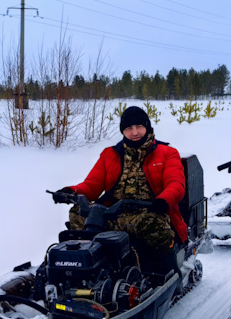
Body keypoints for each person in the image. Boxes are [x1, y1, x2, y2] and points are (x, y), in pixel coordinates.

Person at [53, 105, 187, 252]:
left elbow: (176, 183)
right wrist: (71, 192)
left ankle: (165, 267)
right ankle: (86, 257)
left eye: (139, 126)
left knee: (153, 225)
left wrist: (163, 200)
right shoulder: (110, 154)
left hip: (147, 212)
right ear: (123, 131)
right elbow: (93, 184)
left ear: (147, 127)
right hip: (112, 213)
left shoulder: (167, 152)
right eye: (129, 128)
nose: (134, 132)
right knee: (78, 211)